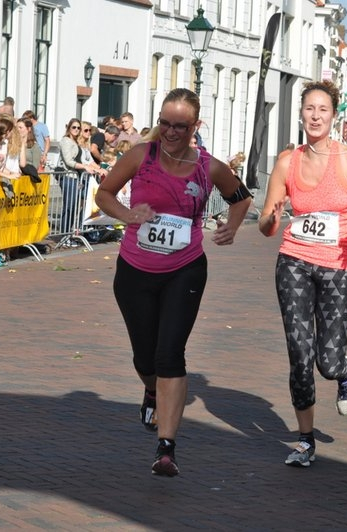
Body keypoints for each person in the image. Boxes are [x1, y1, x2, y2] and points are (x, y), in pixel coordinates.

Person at [94, 87, 252, 477]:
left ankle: (166, 447)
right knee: (145, 359)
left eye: (179, 126)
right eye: (164, 123)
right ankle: (151, 389)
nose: (170, 131)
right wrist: (128, 215)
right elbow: (104, 194)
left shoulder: (209, 167)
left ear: (195, 126)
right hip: (135, 270)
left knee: (170, 355)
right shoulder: (140, 156)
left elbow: (241, 197)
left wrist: (231, 228)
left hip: (185, 269)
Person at [258, 79, 347, 468]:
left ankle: (345, 372)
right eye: (309, 108)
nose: (315, 116)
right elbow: (266, 223)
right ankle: (305, 440)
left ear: (333, 115)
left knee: (326, 362)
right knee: (299, 353)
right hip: (294, 259)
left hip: (341, 264)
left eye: (322, 109)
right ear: (301, 113)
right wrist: (272, 219)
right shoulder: (286, 163)